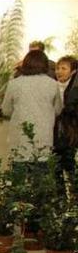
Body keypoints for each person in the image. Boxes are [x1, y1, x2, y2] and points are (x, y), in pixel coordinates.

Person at [1, 50, 62, 157]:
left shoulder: (14, 84)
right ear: (45, 64)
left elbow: (6, 110)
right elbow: (58, 109)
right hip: (44, 136)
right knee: (41, 169)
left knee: (20, 169)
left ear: (25, 64)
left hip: (20, 136)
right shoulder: (52, 84)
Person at [54, 55, 78, 188]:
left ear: (73, 71)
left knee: (69, 164)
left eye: (64, 68)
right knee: (56, 165)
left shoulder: (74, 89)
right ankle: (60, 199)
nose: (59, 71)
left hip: (70, 132)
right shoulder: (53, 86)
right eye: (58, 68)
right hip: (55, 132)